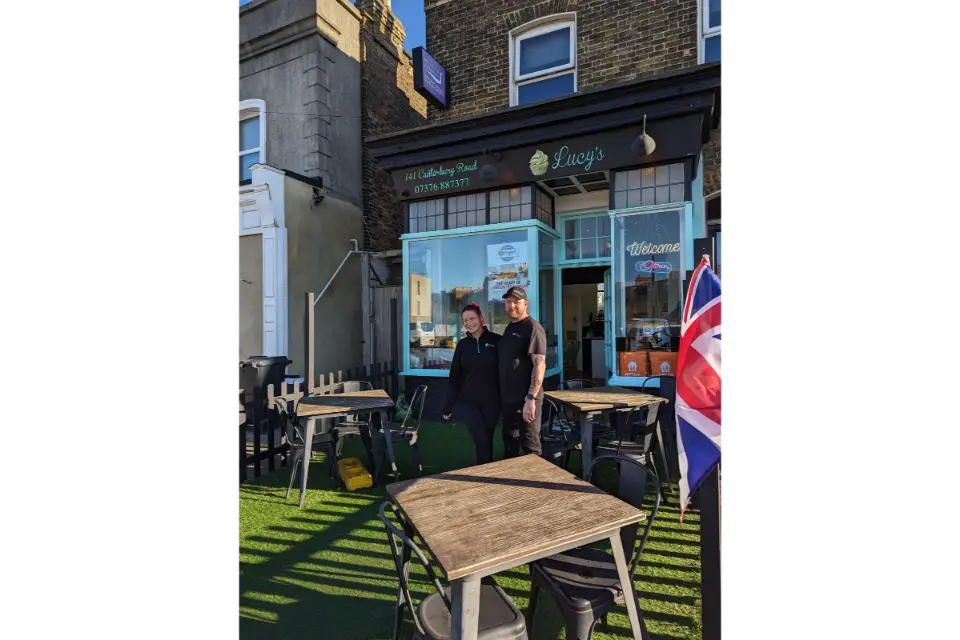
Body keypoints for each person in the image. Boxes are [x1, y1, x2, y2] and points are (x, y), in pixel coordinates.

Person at [442, 303, 502, 465]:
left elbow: (507, 371)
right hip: (468, 401)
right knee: (481, 438)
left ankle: (486, 471)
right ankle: (484, 474)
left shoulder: (496, 341)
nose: (469, 323)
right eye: (465, 320)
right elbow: (455, 376)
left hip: (492, 401)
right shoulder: (462, 345)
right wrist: (449, 405)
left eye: (472, 318)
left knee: (487, 438)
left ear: (481, 319)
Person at [497, 286, 546, 458]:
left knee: (530, 447)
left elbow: (539, 365)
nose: (512, 306)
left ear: (525, 304)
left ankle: (535, 483)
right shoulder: (510, 328)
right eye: (508, 302)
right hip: (508, 400)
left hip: (525, 400)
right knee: (510, 443)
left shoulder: (533, 328)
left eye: (516, 302)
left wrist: (531, 398)